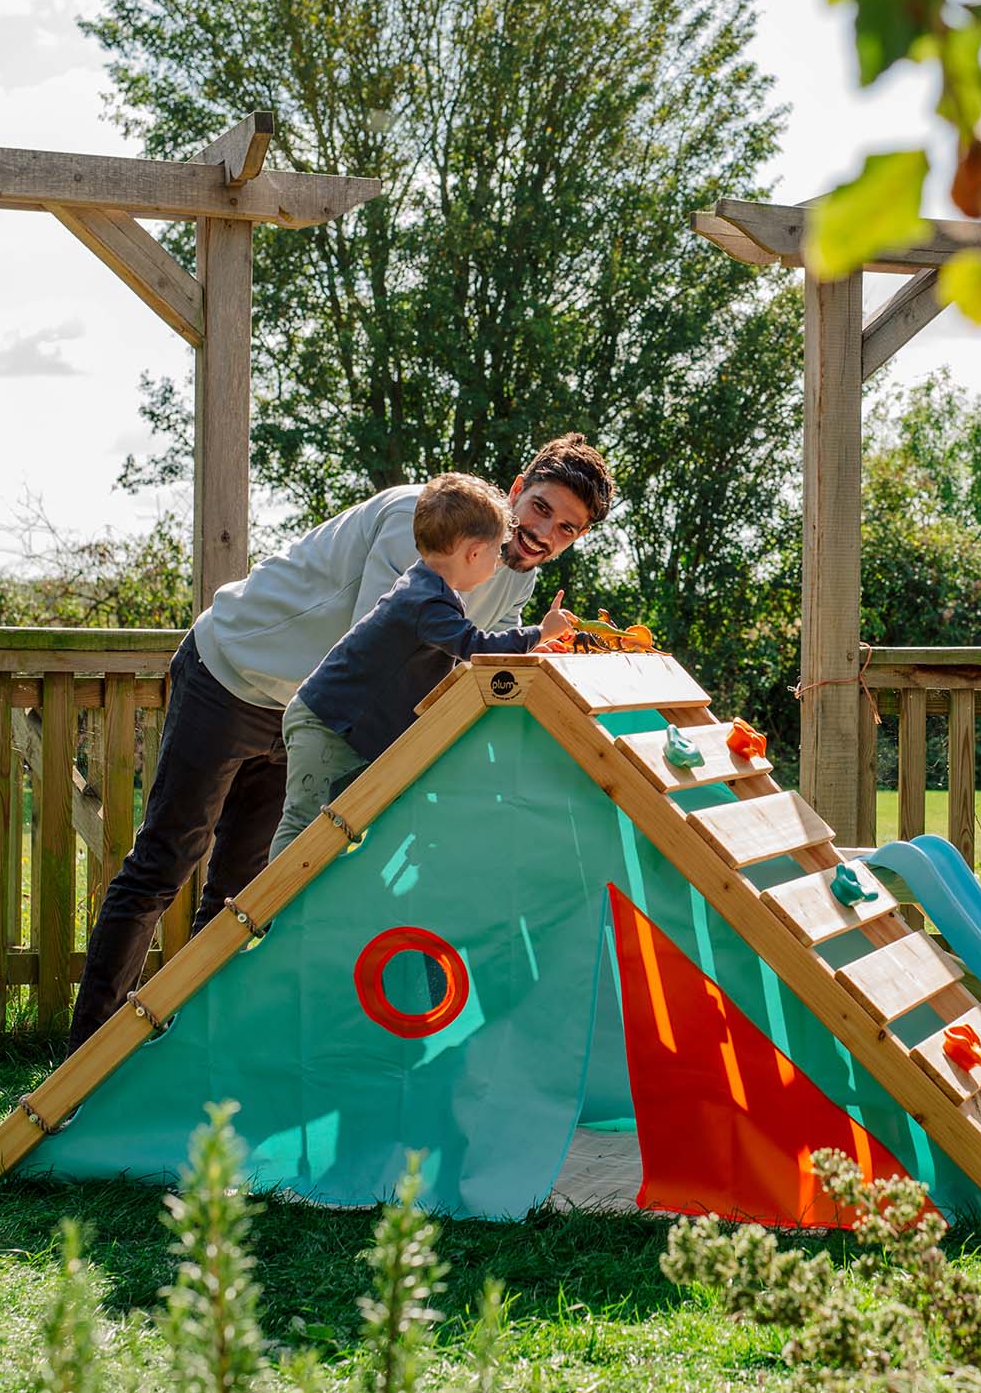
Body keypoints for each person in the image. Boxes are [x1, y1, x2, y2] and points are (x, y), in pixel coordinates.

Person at [67, 433, 614, 1051]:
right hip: (234, 674)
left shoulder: (512, 578)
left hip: (315, 718)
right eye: (541, 507)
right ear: (517, 490)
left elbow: (476, 676)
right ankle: (84, 1061)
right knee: (164, 864)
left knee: (242, 895)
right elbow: (379, 649)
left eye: (566, 529)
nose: (545, 532)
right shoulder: (423, 518)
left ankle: (192, 1053)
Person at [269, 473, 575, 859]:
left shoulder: (430, 589)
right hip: (328, 723)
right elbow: (475, 646)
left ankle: (296, 910)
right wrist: (540, 634)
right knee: (303, 824)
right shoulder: (427, 601)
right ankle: (274, 917)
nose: (499, 562)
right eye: (496, 552)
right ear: (473, 553)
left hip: (347, 729)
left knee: (338, 831)